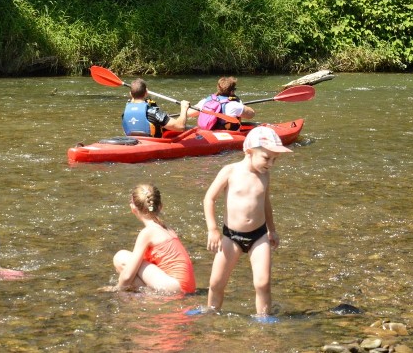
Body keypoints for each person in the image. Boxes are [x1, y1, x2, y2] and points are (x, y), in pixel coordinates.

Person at [203, 126, 291, 316]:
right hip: (231, 236)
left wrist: (272, 230)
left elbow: (265, 203)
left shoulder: (265, 175)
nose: (271, 164)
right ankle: (211, 312)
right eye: (267, 158)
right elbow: (209, 198)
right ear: (249, 152)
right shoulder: (230, 171)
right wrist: (213, 229)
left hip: (259, 236)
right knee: (216, 282)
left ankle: (263, 319)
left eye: (275, 160)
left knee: (263, 283)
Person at [105, 183, 196, 294]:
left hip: (175, 287)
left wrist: (116, 289)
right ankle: (146, 295)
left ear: (133, 208)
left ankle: (145, 297)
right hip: (188, 286)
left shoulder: (147, 233)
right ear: (160, 206)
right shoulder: (167, 228)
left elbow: (128, 275)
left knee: (121, 258)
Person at [122, 78, 190, 137]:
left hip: (133, 142)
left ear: (130, 94)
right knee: (190, 129)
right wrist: (184, 108)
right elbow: (180, 127)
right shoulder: (154, 112)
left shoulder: (125, 113)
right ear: (146, 93)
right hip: (152, 144)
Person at [188, 76, 255, 131]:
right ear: (232, 91)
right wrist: (241, 104)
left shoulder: (206, 101)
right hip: (227, 137)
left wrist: (185, 107)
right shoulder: (234, 105)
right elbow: (251, 114)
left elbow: (189, 114)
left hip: (207, 133)